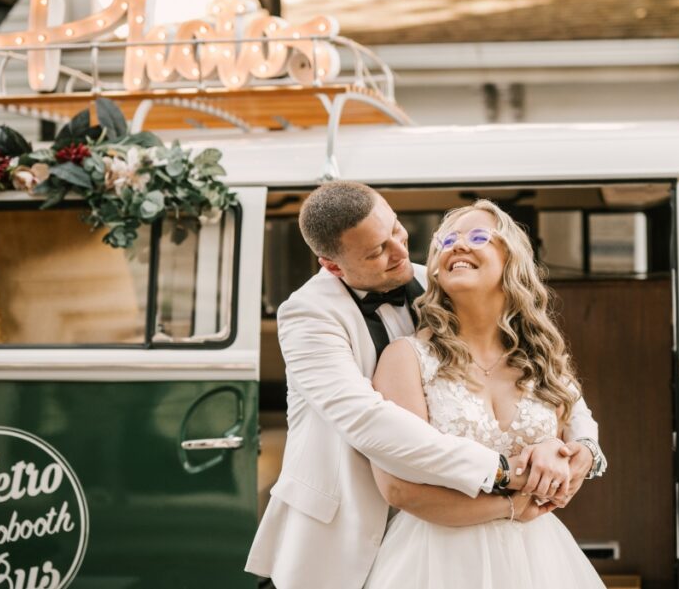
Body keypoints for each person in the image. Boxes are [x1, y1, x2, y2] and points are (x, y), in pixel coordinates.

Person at [245, 182, 606, 589]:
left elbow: (565, 396)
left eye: (397, 231)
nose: (401, 253)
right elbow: (370, 421)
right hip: (347, 527)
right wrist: (506, 476)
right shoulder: (308, 315)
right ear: (333, 266)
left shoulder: (444, 282)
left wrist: (582, 451)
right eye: (377, 250)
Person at [364, 198, 607, 588]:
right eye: (446, 241)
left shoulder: (542, 356)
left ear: (511, 260)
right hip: (435, 562)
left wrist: (562, 455)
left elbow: (578, 439)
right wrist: (510, 506)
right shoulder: (406, 358)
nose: (458, 245)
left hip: (538, 562)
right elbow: (398, 488)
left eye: (478, 236)